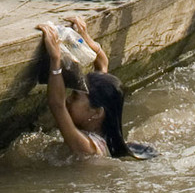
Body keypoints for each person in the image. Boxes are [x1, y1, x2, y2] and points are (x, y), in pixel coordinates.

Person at [37, 15, 136, 159]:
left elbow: (57, 105)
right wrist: (84, 38)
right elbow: (102, 63)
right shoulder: (100, 127)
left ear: (96, 112)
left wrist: (55, 59)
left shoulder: (88, 148)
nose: (68, 100)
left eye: (75, 97)